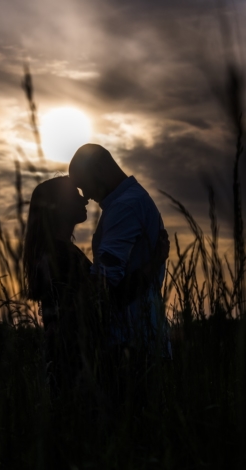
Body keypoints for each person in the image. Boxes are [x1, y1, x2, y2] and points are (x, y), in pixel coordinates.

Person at [22, 176, 168, 399]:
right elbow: (104, 301)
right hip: (76, 370)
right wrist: (152, 264)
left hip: (71, 365)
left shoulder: (57, 253)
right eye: (76, 194)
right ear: (59, 205)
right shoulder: (59, 257)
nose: (85, 200)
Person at [69, 144, 171, 405]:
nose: (86, 196)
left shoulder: (125, 207)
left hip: (131, 343)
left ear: (101, 170)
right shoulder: (130, 202)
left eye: (84, 185)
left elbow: (105, 285)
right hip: (139, 339)